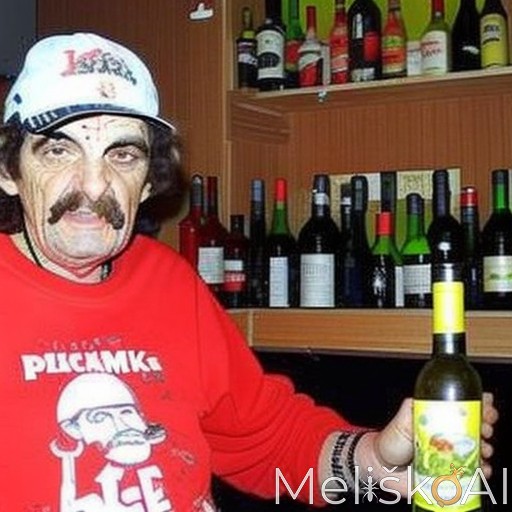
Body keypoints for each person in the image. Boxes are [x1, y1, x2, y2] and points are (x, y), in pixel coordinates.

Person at [0, 32, 497, 511]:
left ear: (148, 182)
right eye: (59, 150)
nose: (93, 185)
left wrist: (376, 458)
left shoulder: (169, 282)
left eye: (123, 154)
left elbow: (270, 439)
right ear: (9, 170)